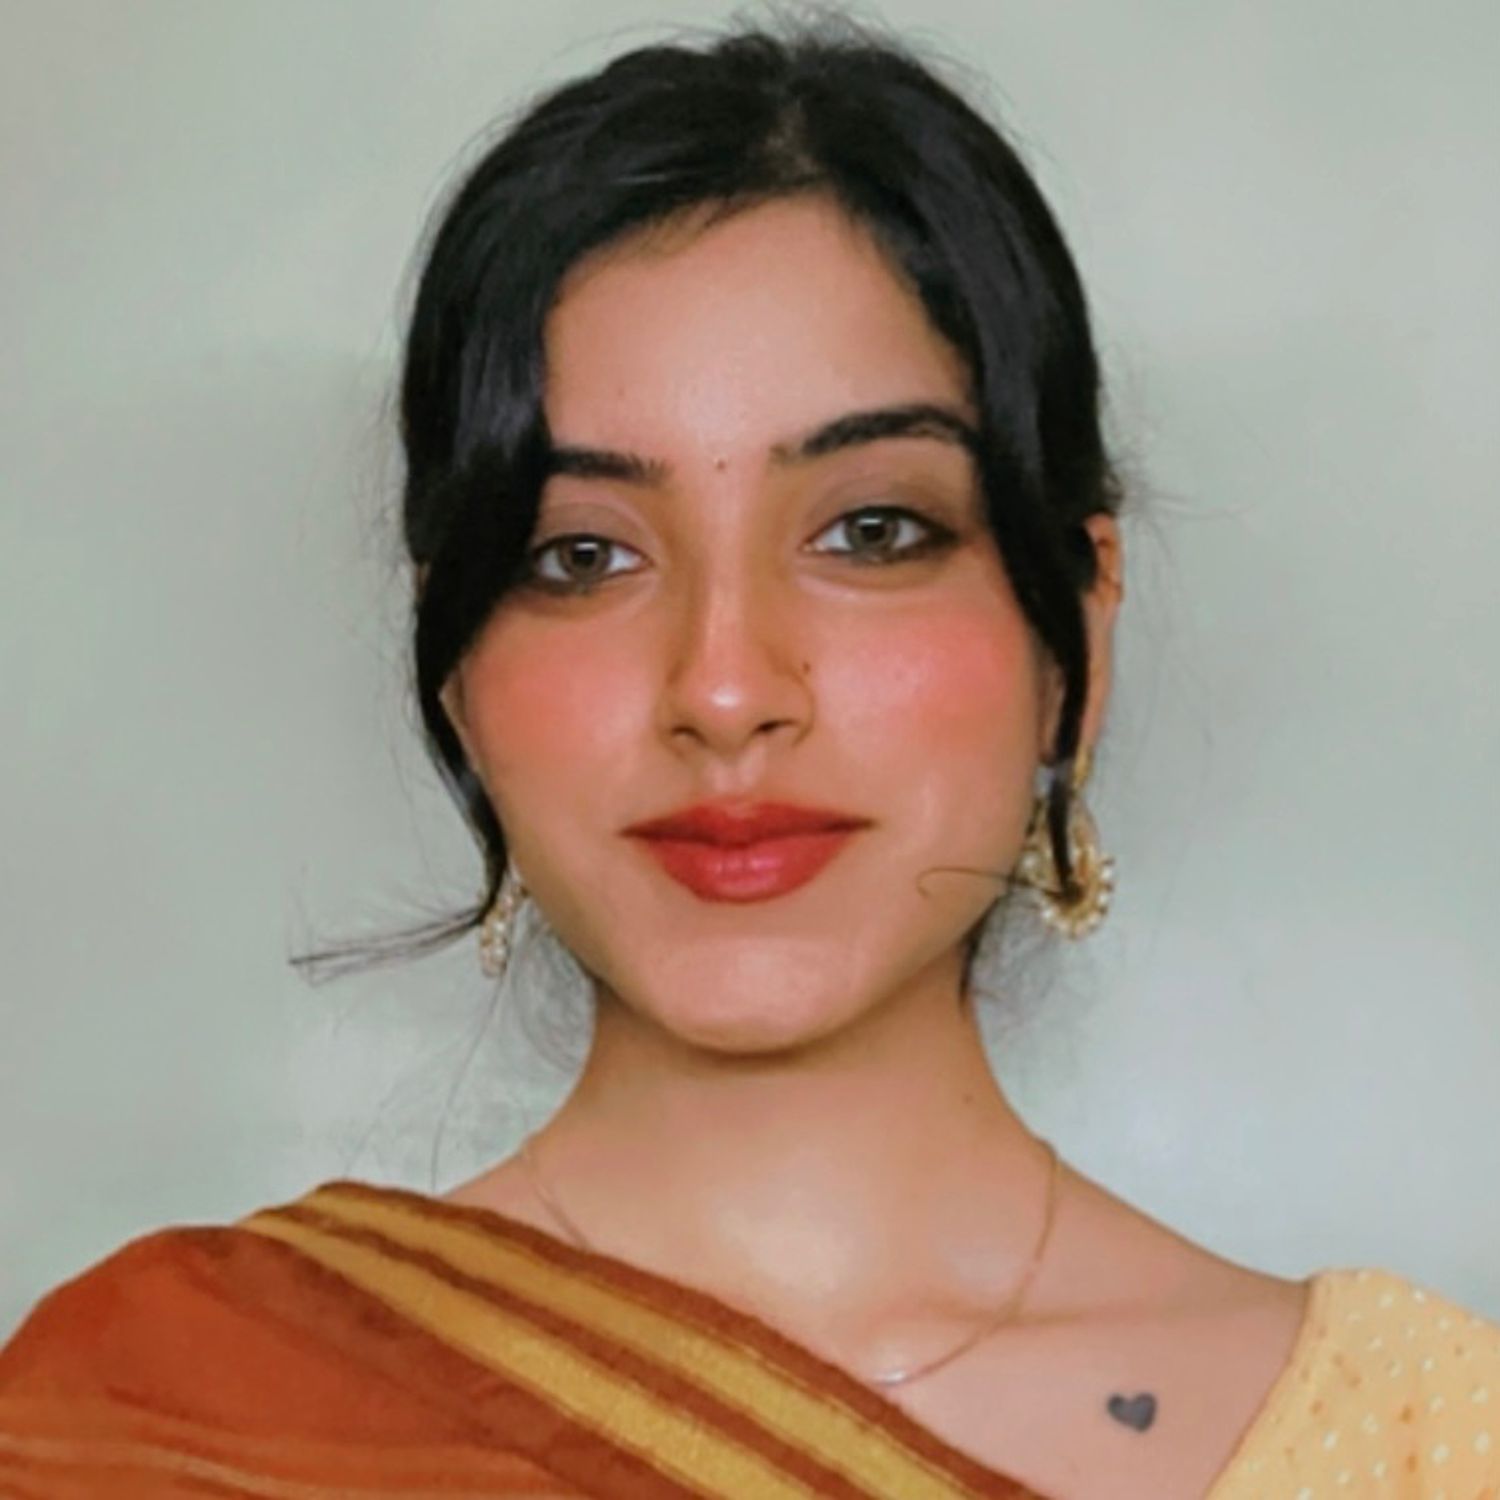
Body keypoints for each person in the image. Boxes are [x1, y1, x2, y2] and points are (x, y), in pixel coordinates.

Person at [3, 17, 1497, 1500]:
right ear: (456, 668)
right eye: (581, 555)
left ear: (1078, 638)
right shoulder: (159, 1421)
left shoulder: (1425, 1440)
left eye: (873, 531)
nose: (723, 692)